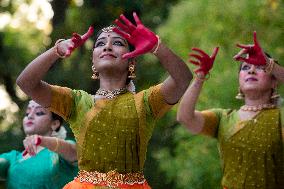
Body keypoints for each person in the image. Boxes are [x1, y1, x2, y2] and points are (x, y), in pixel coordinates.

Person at [16, 12, 192, 189]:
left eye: (117, 43)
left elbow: (183, 79)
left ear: (131, 61)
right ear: (93, 61)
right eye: (100, 44)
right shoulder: (76, 102)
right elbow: (26, 83)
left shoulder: (146, 102)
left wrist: (157, 47)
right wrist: (57, 51)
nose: (107, 46)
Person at [177, 31, 284, 189]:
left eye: (260, 67)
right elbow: (185, 118)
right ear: (239, 81)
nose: (251, 71)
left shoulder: (280, 116)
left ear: (274, 81)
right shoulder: (223, 119)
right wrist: (200, 76)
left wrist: (269, 63)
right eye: (245, 67)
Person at [0, 100, 78, 189]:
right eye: (27, 113)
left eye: (39, 113)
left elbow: (73, 151)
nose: (30, 116)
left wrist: (41, 140)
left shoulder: (59, 152)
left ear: (55, 124)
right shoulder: (13, 158)